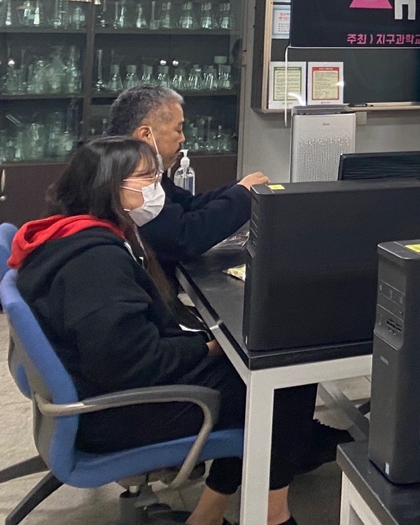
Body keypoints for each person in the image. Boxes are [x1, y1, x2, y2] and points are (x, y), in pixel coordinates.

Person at [9, 138, 315, 525]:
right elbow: (131, 362)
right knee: (283, 379)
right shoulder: (96, 261)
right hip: (117, 412)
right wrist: (205, 348)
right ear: (108, 187)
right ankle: (272, 515)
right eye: (146, 177)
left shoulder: (68, 233)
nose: (157, 186)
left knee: (255, 362)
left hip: (99, 388)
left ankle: (209, 514)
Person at [105, 85, 268, 267]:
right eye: (178, 130)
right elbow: (182, 237)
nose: (183, 138)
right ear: (145, 134)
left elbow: (187, 205)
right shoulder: (128, 180)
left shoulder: (141, 169)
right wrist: (241, 196)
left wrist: (239, 188)